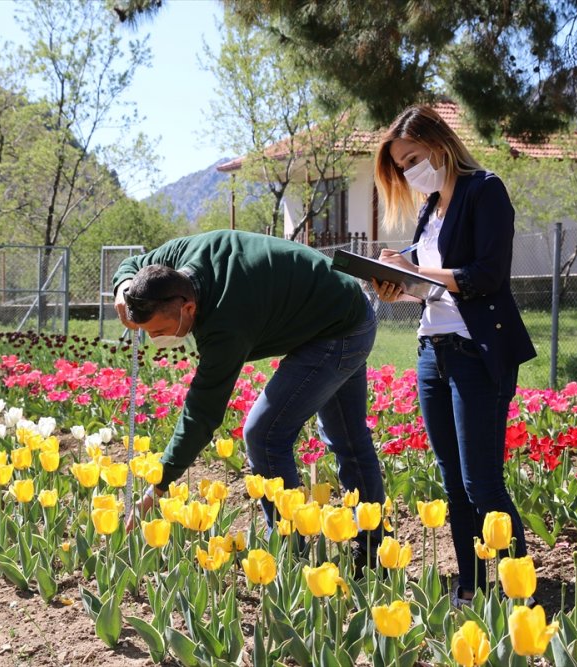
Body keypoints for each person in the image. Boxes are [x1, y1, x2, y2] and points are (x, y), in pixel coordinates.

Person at [113, 229, 384, 567]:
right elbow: (133, 264)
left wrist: (159, 486)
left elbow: (202, 413)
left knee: (265, 433)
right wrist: (123, 288)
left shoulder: (226, 322)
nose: (155, 339)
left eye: (159, 330)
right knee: (348, 438)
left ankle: (289, 555)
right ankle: (373, 555)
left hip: (341, 328)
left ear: (189, 307)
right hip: (331, 309)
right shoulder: (179, 261)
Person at [371, 104, 536, 606]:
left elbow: (486, 274)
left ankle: (518, 593)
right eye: (401, 166)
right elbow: (434, 285)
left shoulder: (485, 191)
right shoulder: (430, 210)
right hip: (431, 351)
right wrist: (399, 280)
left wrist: (418, 273)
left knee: (482, 482)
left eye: (412, 158)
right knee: (451, 482)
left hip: (474, 352)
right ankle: (471, 586)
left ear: (440, 143)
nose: (408, 171)